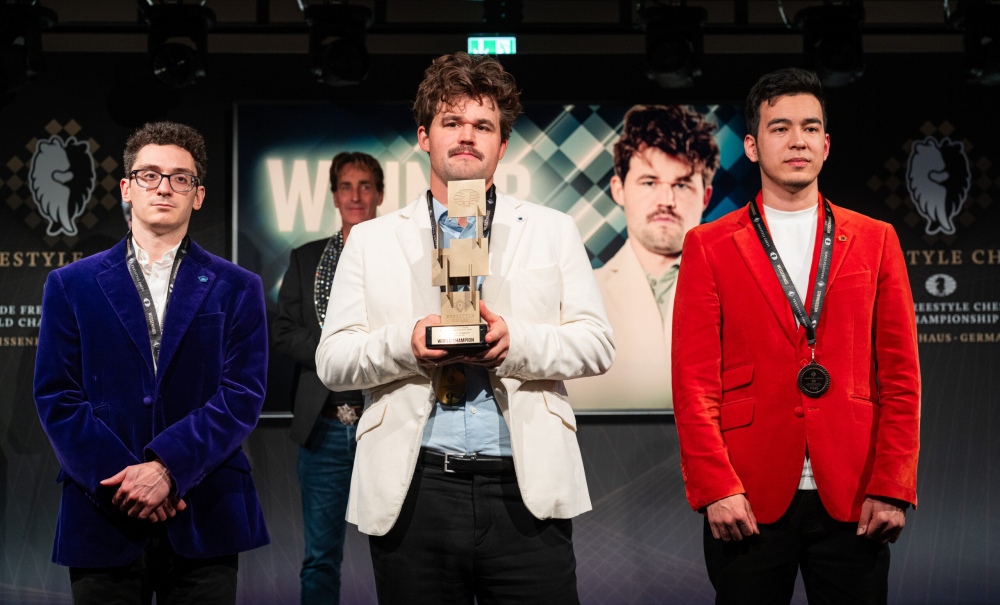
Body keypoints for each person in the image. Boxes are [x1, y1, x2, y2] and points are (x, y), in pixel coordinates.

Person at [315, 52, 614, 605]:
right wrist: (407, 344)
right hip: (415, 486)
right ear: (424, 137)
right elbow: (332, 361)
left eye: (483, 125)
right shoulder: (372, 240)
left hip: (525, 487)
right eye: (451, 122)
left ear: (503, 144)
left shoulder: (552, 230)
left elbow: (597, 344)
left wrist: (515, 342)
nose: (467, 136)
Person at [672, 67, 920, 604]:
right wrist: (716, 488)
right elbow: (693, 385)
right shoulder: (708, 245)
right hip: (747, 496)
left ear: (826, 145)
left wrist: (892, 485)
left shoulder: (876, 240)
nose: (797, 140)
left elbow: (901, 378)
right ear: (752, 146)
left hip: (855, 494)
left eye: (810, 128)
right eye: (780, 127)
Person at [33, 121, 270, 604]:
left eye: (180, 178)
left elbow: (242, 395)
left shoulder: (238, 286)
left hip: (204, 510)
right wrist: (127, 482)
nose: (164, 187)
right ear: (127, 188)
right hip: (103, 510)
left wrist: (167, 469)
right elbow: (57, 396)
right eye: (150, 175)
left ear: (198, 196)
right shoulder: (70, 285)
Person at [273, 151, 384, 605]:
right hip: (324, 428)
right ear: (335, 196)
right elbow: (283, 332)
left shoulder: (400, 255)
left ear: (379, 194)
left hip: (386, 424)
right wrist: (340, 352)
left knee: (406, 558)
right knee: (320, 558)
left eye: (365, 186)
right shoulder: (307, 258)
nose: (355, 196)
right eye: (346, 186)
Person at [568, 104, 719, 411]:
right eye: (650, 182)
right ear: (619, 189)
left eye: (681, 184)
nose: (666, 200)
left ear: (705, 196)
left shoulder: (736, 290)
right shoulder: (575, 294)